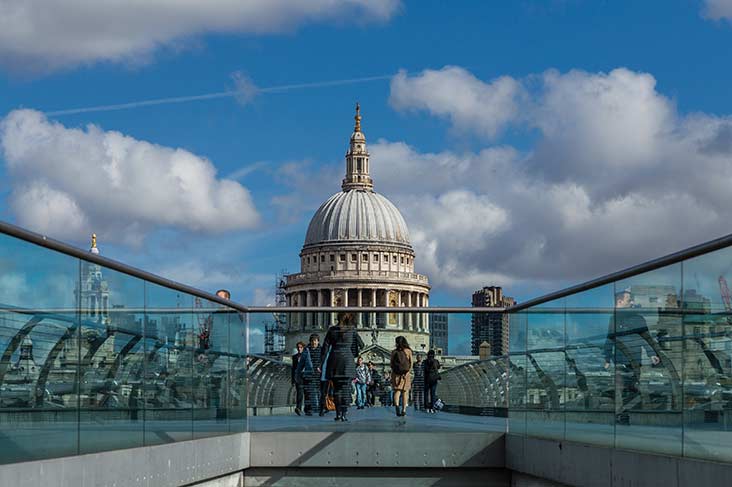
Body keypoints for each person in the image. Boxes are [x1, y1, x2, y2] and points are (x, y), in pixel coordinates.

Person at [603, 288, 661, 425]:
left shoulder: (638, 318)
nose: (632, 303)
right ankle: (621, 414)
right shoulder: (614, 318)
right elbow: (609, 338)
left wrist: (652, 353)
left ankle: (629, 414)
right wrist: (606, 358)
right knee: (620, 388)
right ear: (620, 301)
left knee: (633, 388)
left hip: (634, 360)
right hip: (620, 360)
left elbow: (645, 337)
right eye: (629, 300)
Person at [323, 312, 364, 421]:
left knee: (336, 390)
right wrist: (352, 352)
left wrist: (320, 363)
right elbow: (361, 344)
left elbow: (325, 348)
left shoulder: (332, 330)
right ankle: (344, 414)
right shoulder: (352, 330)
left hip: (334, 361)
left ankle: (338, 414)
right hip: (347, 361)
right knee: (345, 389)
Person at [295, 333, 322, 416]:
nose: (314, 343)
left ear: (318, 341)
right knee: (310, 392)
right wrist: (297, 373)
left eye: (315, 341)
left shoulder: (322, 350)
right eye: (313, 341)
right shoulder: (306, 351)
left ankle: (320, 407)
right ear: (310, 342)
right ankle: (310, 409)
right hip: (309, 374)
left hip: (319, 374)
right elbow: (301, 363)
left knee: (319, 392)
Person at [390, 336, 413, 417]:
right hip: (405, 375)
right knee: (405, 392)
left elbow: (391, 364)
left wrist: (396, 372)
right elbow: (411, 363)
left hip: (396, 374)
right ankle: (403, 410)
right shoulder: (408, 351)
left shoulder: (393, 352)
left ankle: (396, 407)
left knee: (397, 391)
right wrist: (407, 372)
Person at [291, 341, 306, 416]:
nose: (299, 349)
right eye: (298, 347)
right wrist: (293, 380)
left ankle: (308, 409)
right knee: (299, 393)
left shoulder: (307, 356)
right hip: (298, 377)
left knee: (307, 393)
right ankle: (298, 408)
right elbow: (293, 369)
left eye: (301, 347)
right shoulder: (294, 357)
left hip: (306, 376)